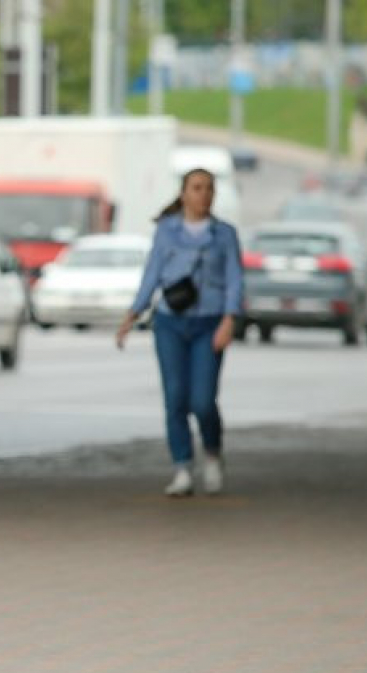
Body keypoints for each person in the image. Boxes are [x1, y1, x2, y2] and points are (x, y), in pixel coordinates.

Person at [116, 168, 243, 497]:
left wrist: (229, 320)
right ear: (184, 193)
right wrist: (133, 313)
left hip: (209, 322)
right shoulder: (167, 231)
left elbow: (234, 278)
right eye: (197, 188)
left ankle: (212, 454)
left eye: (209, 188)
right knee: (175, 398)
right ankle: (182, 466)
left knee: (202, 401)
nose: (204, 194)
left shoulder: (224, 234)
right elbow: (152, 273)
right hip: (170, 322)